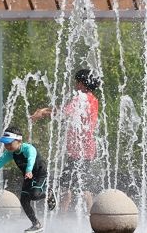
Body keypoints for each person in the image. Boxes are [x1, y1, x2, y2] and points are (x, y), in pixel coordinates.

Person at [30, 69, 101, 212]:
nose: (75, 85)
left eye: (77, 82)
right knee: (82, 186)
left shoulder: (81, 98)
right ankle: (92, 217)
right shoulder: (93, 99)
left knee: (65, 186)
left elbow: (63, 113)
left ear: (82, 83)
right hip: (87, 148)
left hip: (79, 150)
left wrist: (43, 113)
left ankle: (61, 217)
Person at [0, 126, 56, 233]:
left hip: (39, 174)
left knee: (34, 194)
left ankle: (48, 192)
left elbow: (31, 159)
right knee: (24, 200)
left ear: (19, 141)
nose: (7, 146)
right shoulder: (11, 153)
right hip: (27, 175)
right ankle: (36, 224)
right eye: (5, 143)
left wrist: (28, 170)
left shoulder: (29, 149)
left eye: (9, 143)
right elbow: (1, 161)